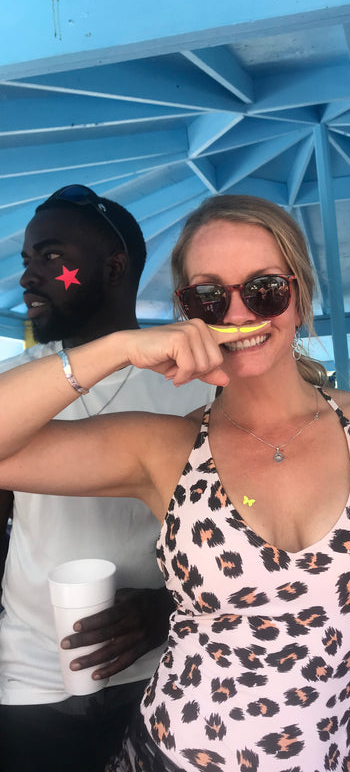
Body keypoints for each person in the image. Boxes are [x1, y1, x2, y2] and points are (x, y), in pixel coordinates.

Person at [0, 194, 350, 772]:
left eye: (265, 289)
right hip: (175, 754)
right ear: (187, 312)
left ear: (300, 295)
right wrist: (119, 348)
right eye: (209, 296)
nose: (238, 314)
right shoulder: (165, 446)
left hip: (341, 756)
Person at [0, 185, 214, 772]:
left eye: (51, 256)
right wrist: (116, 348)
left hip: (169, 668)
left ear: (114, 268)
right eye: (27, 259)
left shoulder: (196, 385)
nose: (28, 277)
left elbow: (243, 537)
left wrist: (169, 607)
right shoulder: (16, 386)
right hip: (32, 675)